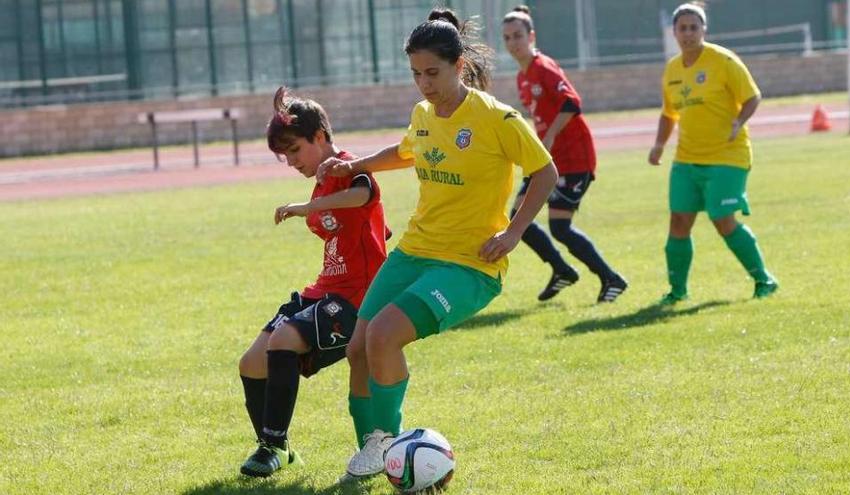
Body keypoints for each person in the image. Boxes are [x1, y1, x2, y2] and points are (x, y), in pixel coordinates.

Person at [316, 8, 557, 482]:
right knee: (359, 348)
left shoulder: (496, 118)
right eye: (415, 74)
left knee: (384, 335)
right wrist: (354, 165)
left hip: (470, 265)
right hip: (414, 251)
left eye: (433, 72)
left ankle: (389, 439)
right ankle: (374, 450)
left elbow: (544, 172)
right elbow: (407, 150)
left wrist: (512, 232)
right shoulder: (423, 114)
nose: (424, 84)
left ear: (458, 66)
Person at [236, 87, 389, 477]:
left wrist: (309, 207)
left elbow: (363, 194)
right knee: (252, 364)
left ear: (319, 136)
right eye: (284, 155)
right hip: (323, 291)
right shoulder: (321, 181)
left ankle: (269, 447)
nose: (290, 162)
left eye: (294, 150)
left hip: (357, 298)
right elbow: (375, 228)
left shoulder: (347, 165)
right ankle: (281, 448)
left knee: (285, 338)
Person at [648, 3, 778, 304]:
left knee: (722, 219)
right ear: (675, 32)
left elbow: (752, 96)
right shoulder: (672, 69)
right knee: (679, 222)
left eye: (694, 27)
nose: (689, 33)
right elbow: (669, 114)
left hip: (727, 157)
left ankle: (764, 280)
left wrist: (738, 121)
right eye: (683, 28)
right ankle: (677, 292)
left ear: (704, 30)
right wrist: (658, 144)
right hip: (686, 159)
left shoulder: (723, 61)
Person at [502, 5, 628, 303]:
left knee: (560, 226)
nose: (513, 43)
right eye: (507, 37)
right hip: (547, 160)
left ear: (531, 35)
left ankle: (612, 279)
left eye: (518, 35)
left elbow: (572, 102)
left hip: (574, 159)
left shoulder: (544, 67)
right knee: (519, 217)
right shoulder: (522, 76)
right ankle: (561, 270)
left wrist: (549, 137)